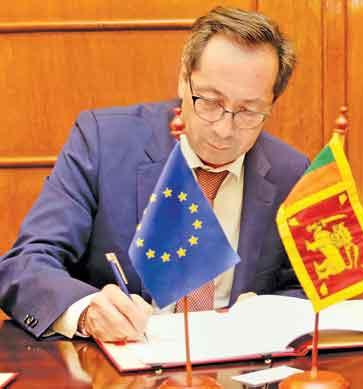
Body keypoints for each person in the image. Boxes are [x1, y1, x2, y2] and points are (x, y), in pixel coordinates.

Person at [0, 6, 309, 341]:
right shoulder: (103, 144)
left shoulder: (289, 172)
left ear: (272, 104)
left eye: (248, 110)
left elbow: (307, 289)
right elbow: (26, 262)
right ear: (183, 77)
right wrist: (87, 311)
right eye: (208, 100)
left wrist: (272, 312)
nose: (223, 129)